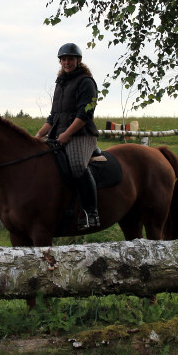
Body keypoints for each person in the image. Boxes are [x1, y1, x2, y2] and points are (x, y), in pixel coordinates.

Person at [35, 43, 100, 229]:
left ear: (78, 61)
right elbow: (53, 116)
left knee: (78, 165)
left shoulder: (86, 82)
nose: (66, 62)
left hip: (81, 134)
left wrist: (67, 134)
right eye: (63, 59)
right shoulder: (61, 83)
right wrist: (39, 135)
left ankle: (91, 213)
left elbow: (84, 115)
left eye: (70, 59)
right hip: (59, 133)